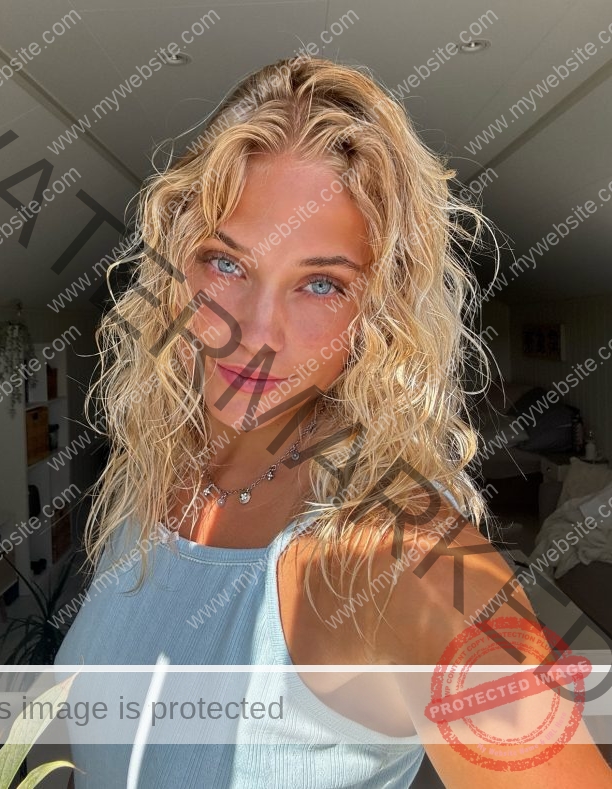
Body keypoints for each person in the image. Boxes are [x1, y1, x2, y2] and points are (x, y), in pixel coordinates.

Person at [54, 56, 612, 787]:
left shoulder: (402, 559)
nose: (255, 330)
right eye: (226, 262)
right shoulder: (156, 464)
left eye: (320, 283)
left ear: (377, 312)